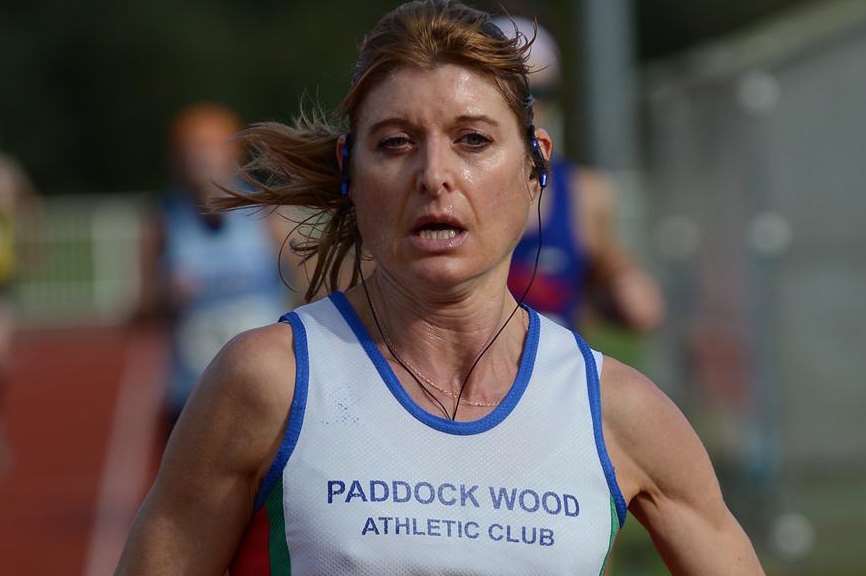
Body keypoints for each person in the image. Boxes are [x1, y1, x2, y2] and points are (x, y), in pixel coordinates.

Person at [117, 2, 764, 574]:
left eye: (473, 140)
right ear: (350, 169)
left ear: (536, 163)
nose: (435, 174)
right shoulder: (269, 382)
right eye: (396, 143)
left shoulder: (618, 411)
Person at [495, 17, 664, 332]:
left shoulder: (585, 193)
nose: (529, 108)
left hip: (552, 375)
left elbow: (628, 295)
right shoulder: (447, 187)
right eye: (514, 92)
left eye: (540, 93)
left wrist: (620, 279)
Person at [139, 102, 289, 433]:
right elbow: (141, 308)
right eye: (191, 149)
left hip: (263, 390)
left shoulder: (265, 214)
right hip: (191, 392)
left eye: (208, 148)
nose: (200, 159)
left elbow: (306, 290)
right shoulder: (163, 220)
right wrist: (166, 295)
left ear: (232, 154)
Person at [0, 154, 38, 476]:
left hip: (3, 284)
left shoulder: (6, 171)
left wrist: (29, 243)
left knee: (1, 361)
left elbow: (28, 203)